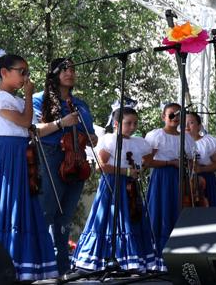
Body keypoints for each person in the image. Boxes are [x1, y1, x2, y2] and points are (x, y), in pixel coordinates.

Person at [0, 51, 76, 281]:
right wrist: (29, 95)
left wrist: (59, 124)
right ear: (4, 73)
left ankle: (21, 264)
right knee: (6, 207)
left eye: (27, 72)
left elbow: (32, 130)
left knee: (24, 208)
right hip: (6, 155)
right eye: (22, 72)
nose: (26, 77)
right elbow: (24, 122)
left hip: (22, 154)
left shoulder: (17, 101)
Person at [73, 106, 164, 272]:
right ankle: (105, 259)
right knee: (110, 219)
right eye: (128, 123)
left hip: (130, 186)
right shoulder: (110, 140)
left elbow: (149, 158)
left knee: (132, 218)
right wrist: (126, 171)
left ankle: (130, 261)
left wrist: (140, 168)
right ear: (116, 123)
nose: (133, 127)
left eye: (135, 123)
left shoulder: (139, 142)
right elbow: (101, 166)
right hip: (113, 184)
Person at [31, 57, 98, 275]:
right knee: (46, 213)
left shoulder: (80, 104)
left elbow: (91, 135)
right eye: (65, 70)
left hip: (76, 162)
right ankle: (39, 267)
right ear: (54, 74)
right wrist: (62, 123)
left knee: (65, 218)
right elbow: (33, 131)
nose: (70, 73)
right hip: (50, 157)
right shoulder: (39, 99)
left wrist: (92, 138)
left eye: (73, 69)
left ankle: (62, 268)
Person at [143, 103, 197, 251]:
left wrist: (188, 169)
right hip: (162, 177)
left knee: (178, 209)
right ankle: (157, 250)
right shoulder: (156, 135)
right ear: (163, 117)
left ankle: (178, 247)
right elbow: (147, 162)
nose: (175, 118)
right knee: (161, 209)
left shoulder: (186, 138)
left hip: (181, 178)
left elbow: (192, 161)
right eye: (171, 114)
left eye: (178, 115)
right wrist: (170, 162)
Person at [187, 111, 216, 206]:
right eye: (184, 123)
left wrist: (201, 169)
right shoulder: (178, 142)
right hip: (185, 181)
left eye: (191, 123)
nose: (187, 126)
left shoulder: (207, 141)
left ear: (199, 126)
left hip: (206, 180)